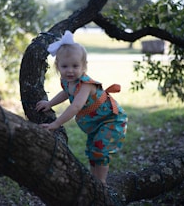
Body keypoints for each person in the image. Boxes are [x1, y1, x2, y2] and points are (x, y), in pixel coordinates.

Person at [36, 30, 128, 186]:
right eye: (64, 66)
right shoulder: (67, 82)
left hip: (112, 120)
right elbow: (65, 93)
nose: (70, 70)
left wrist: (56, 123)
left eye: (75, 66)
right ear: (58, 66)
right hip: (96, 122)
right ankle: (94, 180)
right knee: (93, 151)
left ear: (84, 66)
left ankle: (101, 182)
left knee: (100, 150)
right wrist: (49, 103)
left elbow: (76, 106)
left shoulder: (85, 85)